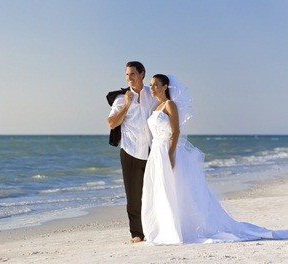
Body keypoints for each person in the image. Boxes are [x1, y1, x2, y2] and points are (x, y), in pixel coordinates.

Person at [141, 74, 288, 244]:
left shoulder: (169, 105)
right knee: (160, 189)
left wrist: (171, 155)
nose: (152, 88)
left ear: (165, 86)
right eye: (150, 85)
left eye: (155, 85)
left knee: (175, 189)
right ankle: (164, 228)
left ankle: (178, 229)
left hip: (167, 151)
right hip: (156, 153)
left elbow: (175, 132)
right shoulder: (155, 108)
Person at [107, 61, 157, 243]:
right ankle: (137, 233)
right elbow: (112, 123)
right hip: (130, 151)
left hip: (152, 151)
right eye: (127, 75)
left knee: (153, 193)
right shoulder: (121, 99)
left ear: (142, 74)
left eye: (132, 74)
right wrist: (127, 104)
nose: (129, 78)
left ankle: (154, 228)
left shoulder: (153, 97)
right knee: (134, 196)